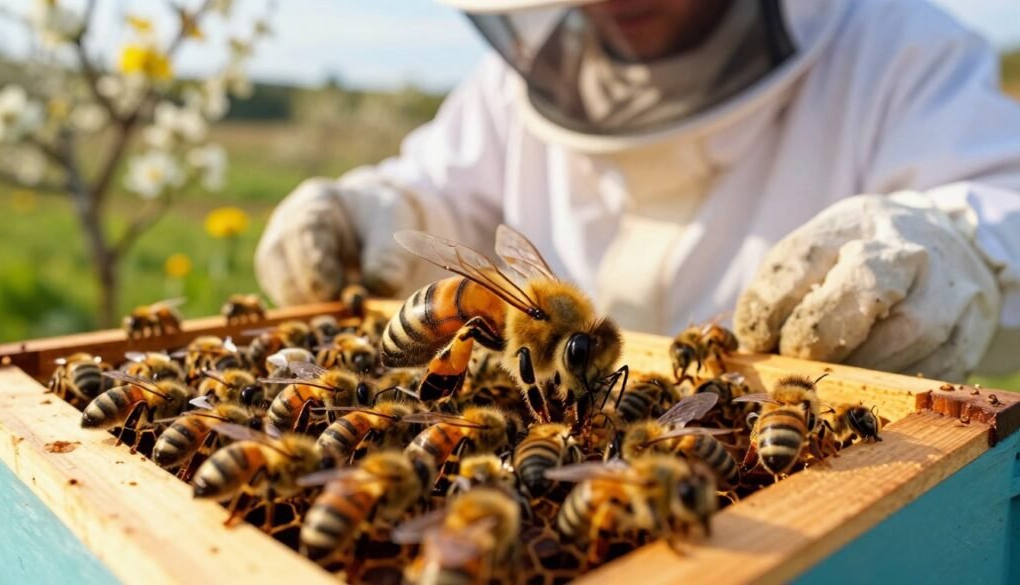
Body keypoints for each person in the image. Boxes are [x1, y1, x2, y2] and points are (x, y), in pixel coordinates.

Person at [255, 0, 1020, 382]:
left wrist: (966, 250)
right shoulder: (515, 87)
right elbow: (445, 196)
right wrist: (379, 215)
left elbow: (1002, 201)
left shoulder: (902, 49)